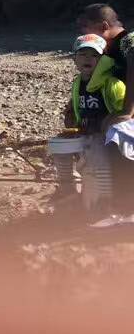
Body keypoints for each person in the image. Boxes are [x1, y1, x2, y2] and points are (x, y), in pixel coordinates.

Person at [57, 33, 126, 207]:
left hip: (106, 136)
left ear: (102, 60)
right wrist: (71, 118)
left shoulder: (112, 84)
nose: (88, 59)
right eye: (82, 54)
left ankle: (103, 201)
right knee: (57, 145)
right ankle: (68, 188)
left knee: (96, 152)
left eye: (94, 55)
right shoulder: (78, 82)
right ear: (74, 59)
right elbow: (75, 107)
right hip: (83, 131)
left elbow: (124, 112)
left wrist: (105, 124)